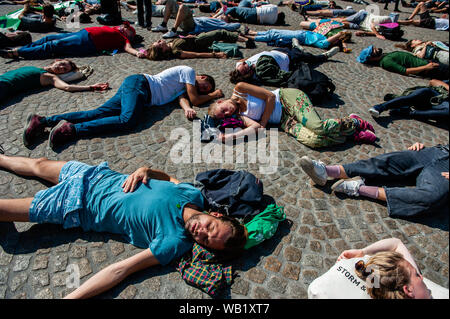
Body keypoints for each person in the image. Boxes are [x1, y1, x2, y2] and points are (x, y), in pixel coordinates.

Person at [0, 153, 247, 299]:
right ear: (214, 214)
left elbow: (122, 269)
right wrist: (145, 170)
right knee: (39, 164)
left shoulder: (174, 241)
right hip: (95, 176)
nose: (200, 232)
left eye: (204, 240)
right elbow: (169, 179)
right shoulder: (193, 194)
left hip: (77, 204)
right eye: (210, 228)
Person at [22, 66, 223, 149]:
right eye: (204, 86)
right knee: (128, 120)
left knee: (97, 113)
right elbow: (197, 99)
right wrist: (213, 95)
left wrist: (187, 108)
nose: (202, 89)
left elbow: (186, 100)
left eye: (205, 90)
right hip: (140, 86)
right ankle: (71, 129)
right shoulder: (189, 71)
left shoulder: (182, 87)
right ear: (202, 77)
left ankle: (43, 121)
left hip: (137, 89)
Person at [300, 142, 449, 218]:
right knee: (387, 161)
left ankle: (358, 188)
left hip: (444, 171)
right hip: (439, 152)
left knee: (432, 197)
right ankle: (326, 172)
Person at [207, 82, 377, 147]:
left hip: (288, 99)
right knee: (314, 140)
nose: (227, 113)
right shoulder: (239, 117)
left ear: (221, 102)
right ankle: (351, 135)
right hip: (284, 120)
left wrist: (264, 121)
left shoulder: (240, 89)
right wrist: (230, 137)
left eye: (223, 110)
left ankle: (353, 122)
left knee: (317, 126)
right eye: (224, 116)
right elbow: (256, 127)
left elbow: (270, 97)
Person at [308, 238, 449, 299]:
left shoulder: (381, 285)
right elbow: (396, 244)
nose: (422, 277)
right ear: (409, 290)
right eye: (417, 276)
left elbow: (395, 244)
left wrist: (362, 252)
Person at [0, 22, 145, 60]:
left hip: (87, 42)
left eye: (127, 28)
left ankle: (17, 52)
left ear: (130, 34)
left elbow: (128, 48)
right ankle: (26, 48)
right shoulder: (116, 29)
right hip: (82, 34)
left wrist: (137, 53)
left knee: (53, 45)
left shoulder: (123, 38)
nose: (123, 27)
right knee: (49, 37)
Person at [0, 59, 109, 106]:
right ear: (57, 60)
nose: (61, 68)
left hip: (4, 86)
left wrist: (91, 87)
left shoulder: (49, 77)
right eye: (62, 64)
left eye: (64, 70)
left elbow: (67, 87)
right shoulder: (38, 68)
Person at [229, 48, 337, 85]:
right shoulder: (259, 75)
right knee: (307, 58)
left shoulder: (240, 66)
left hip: (278, 51)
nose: (246, 63)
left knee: (298, 52)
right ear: (248, 75)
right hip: (288, 60)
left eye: (244, 64)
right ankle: (323, 56)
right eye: (246, 67)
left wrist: (244, 63)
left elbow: (241, 61)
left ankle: (297, 48)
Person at [146, 30, 255, 61]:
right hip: (200, 41)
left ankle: (243, 38)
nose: (160, 40)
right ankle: (246, 40)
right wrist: (215, 55)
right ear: (163, 50)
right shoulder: (176, 51)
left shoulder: (170, 44)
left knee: (220, 34)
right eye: (159, 43)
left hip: (196, 37)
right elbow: (196, 54)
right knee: (220, 33)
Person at [369, 79, 449, 121]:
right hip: (435, 94)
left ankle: (409, 112)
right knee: (423, 91)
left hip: (443, 106)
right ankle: (380, 107)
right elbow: (433, 82)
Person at [357, 45, 449, 80]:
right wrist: (426, 67)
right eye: (372, 50)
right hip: (430, 69)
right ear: (371, 58)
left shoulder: (385, 56)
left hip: (428, 63)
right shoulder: (386, 62)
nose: (374, 48)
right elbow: (405, 71)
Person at [155, 3, 242, 38]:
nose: (223, 16)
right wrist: (219, 14)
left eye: (225, 16)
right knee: (171, 2)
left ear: (227, 21)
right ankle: (163, 25)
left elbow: (236, 25)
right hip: (188, 21)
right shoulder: (214, 19)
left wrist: (228, 21)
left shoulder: (222, 24)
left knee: (183, 7)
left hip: (193, 26)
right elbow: (217, 15)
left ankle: (173, 30)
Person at [243, 27, 351, 51]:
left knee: (274, 36)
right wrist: (343, 41)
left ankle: (249, 37)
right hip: (301, 33)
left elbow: (327, 42)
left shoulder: (324, 43)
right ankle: (252, 33)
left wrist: (340, 36)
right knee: (274, 32)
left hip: (300, 37)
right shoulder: (324, 37)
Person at [213, 3, 285, 26]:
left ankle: (219, 14)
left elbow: (260, 6)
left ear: (279, 13)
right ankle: (224, 16)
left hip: (254, 12)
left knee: (235, 9)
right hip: (253, 20)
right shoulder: (273, 22)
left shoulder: (275, 8)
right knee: (237, 14)